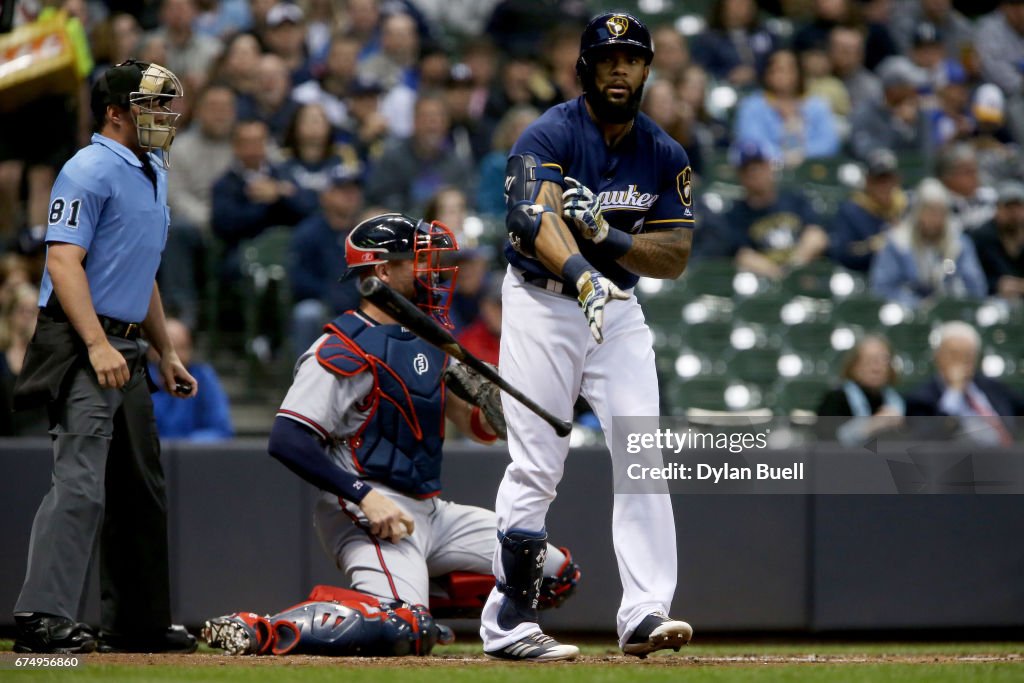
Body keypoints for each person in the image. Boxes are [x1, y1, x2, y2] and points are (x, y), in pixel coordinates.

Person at [201, 214, 580, 657]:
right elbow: (287, 438)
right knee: (405, 627)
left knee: (550, 574)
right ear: (382, 270)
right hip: (371, 512)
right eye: (418, 260)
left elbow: (478, 429)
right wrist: (363, 496)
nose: (431, 271)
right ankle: (262, 629)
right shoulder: (340, 347)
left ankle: (393, 604)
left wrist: (499, 403)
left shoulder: (431, 339)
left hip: (432, 511)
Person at [482, 12, 695, 661]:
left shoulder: (662, 151)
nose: (621, 69)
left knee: (642, 454)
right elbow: (530, 215)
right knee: (540, 459)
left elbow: (676, 253)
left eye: (632, 59)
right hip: (545, 303)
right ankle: (508, 618)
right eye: (608, 60)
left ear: (648, 69)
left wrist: (610, 240)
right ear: (585, 69)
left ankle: (644, 610)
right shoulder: (551, 131)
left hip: (618, 310)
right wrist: (580, 270)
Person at [11, 60, 198, 654]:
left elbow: (138, 268)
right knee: (81, 483)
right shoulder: (87, 167)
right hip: (81, 338)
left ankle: (137, 621)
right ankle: (40, 618)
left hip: (127, 342)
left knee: (141, 486)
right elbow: (63, 261)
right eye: (152, 107)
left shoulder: (154, 169)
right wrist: (95, 344)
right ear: (116, 113)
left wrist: (165, 349)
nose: (165, 117)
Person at [870, 178, 987, 306]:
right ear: (918, 212)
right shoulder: (897, 243)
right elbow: (882, 289)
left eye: (940, 213)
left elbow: (976, 289)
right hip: (908, 314)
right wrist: (917, 304)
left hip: (949, 312)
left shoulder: (959, 244)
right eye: (930, 212)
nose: (936, 219)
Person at [723, 141, 830, 279]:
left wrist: (794, 266)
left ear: (770, 167)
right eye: (748, 169)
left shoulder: (795, 199)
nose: (755, 173)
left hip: (804, 274)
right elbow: (743, 256)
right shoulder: (735, 214)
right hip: (764, 284)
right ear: (739, 175)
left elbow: (817, 236)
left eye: (760, 166)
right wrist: (779, 275)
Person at [905, 321, 1023, 444]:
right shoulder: (921, 399)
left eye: (968, 355)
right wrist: (954, 392)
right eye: (954, 354)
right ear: (937, 356)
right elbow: (929, 439)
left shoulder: (993, 387)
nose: (961, 361)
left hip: (1009, 455)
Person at [733, 48, 840, 168]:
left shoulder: (817, 106)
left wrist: (800, 154)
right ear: (767, 74)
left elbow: (829, 143)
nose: (782, 75)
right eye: (776, 70)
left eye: (788, 70)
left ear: (799, 73)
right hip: (768, 170)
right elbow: (751, 143)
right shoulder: (752, 106)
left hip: (812, 169)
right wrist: (783, 157)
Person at [149, 318, 233, 441]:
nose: (175, 356)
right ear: (151, 350)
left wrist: (181, 449)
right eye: (169, 349)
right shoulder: (139, 379)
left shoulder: (203, 378)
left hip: (192, 456)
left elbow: (221, 430)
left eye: (181, 347)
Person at [815, 335, 906, 446]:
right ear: (853, 366)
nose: (876, 368)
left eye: (883, 360)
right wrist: (874, 424)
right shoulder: (835, 399)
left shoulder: (898, 401)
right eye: (869, 360)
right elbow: (827, 442)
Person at [828, 148, 907, 272]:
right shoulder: (851, 211)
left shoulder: (906, 206)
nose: (885, 186)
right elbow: (841, 254)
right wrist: (873, 247)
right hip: (865, 275)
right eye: (879, 180)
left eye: (889, 179)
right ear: (868, 182)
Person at [0, 283, 48, 437]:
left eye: (33, 312)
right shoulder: (1, 356)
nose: (29, 317)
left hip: (39, 435)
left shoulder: (44, 358)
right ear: (10, 313)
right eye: (23, 310)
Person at [970, 180, 1024, 299]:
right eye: (1009, 208)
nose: (1014, 214)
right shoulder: (982, 238)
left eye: (1018, 207)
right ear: (997, 209)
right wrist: (997, 285)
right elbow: (973, 279)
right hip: (992, 301)